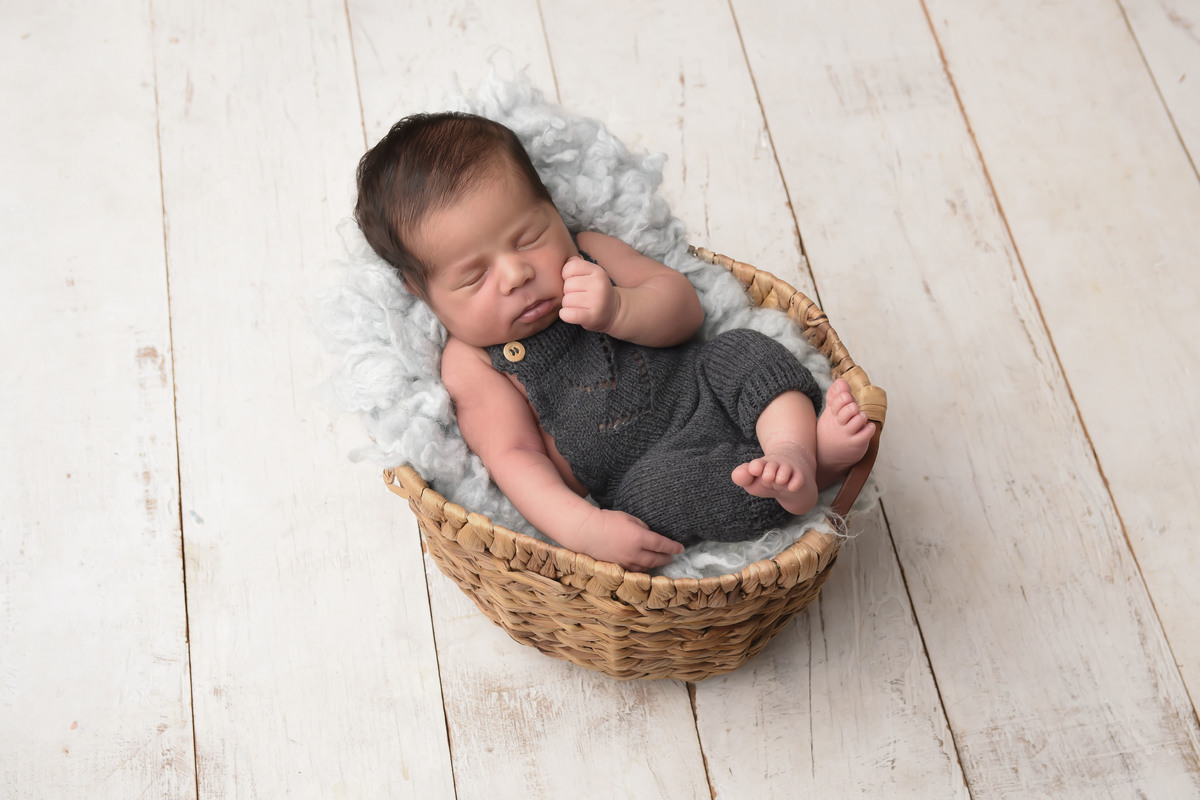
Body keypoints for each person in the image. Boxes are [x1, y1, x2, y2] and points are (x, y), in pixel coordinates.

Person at [355, 112, 875, 571]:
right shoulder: (471, 362)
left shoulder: (591, 252)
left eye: (528, 239)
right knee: (672, 494)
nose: (516, 274)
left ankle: (796, 449)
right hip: (641, 470)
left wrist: (620, 309)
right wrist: (585, 529)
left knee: (742, 350)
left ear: (552, 208)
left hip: (698, 382)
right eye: (474, 277)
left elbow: (685, 310)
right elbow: (515, 456)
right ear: (421, 291)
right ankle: (797, 480)